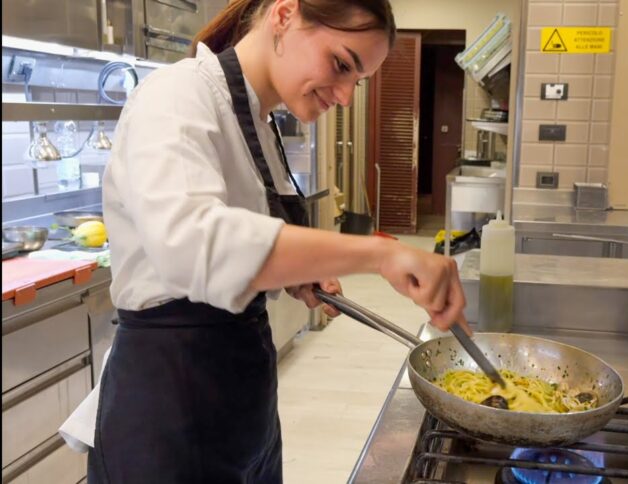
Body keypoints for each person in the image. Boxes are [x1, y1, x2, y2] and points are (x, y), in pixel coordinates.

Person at [70, 0, 468, 481]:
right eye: (341, 65)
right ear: (284, 16)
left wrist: (297, 271)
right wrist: (382, 253)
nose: (344, 96)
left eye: (356, 81)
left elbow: (248, 240)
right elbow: (194, 245)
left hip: (243, 406)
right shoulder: (175, 96)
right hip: (169, 409)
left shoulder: (261, 122)